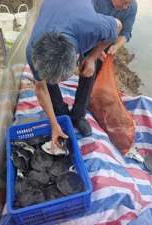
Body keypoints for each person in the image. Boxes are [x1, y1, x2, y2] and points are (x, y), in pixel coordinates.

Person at [26, 0, 122, 149]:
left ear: (76, 57)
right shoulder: (33, 50)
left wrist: (92, 57)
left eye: (63, 78)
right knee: (48, 81)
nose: (59, 81)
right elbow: (40, 88)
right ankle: (61, 114)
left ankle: (78, 115)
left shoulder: (93, 27)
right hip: (52, 7)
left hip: (79, 12)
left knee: (90, 68)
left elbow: (118, 26)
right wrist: (54, 125)